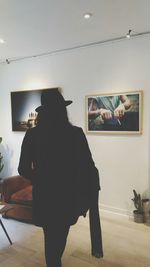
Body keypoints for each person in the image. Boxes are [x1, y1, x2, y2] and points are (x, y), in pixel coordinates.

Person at [18, 88, 103, 267]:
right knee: (59, 237)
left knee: (51, 237)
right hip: (68, 195)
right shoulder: (75, 134)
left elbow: (23, 169)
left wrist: (42, 178)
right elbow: (88, 166)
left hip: (46, 195)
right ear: (63, 111)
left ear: (43, 112)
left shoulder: (33, 134)